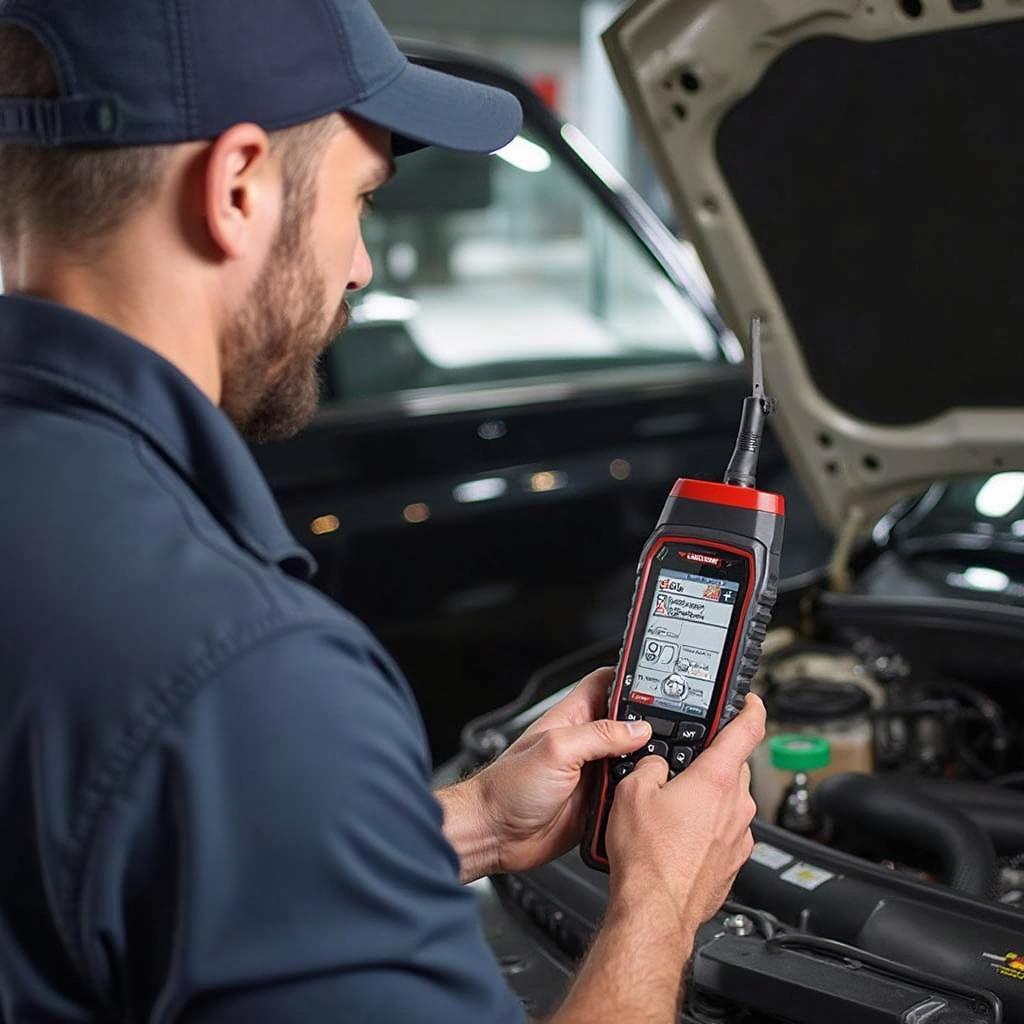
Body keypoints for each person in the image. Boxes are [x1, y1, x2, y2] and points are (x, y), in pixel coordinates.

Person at [0, 1, 764, 1021]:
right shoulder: (242, 670)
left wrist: (480, 823)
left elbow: (107, 873)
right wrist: (660, 898)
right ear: (234, 190)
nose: (360, 265)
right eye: (361, 198)